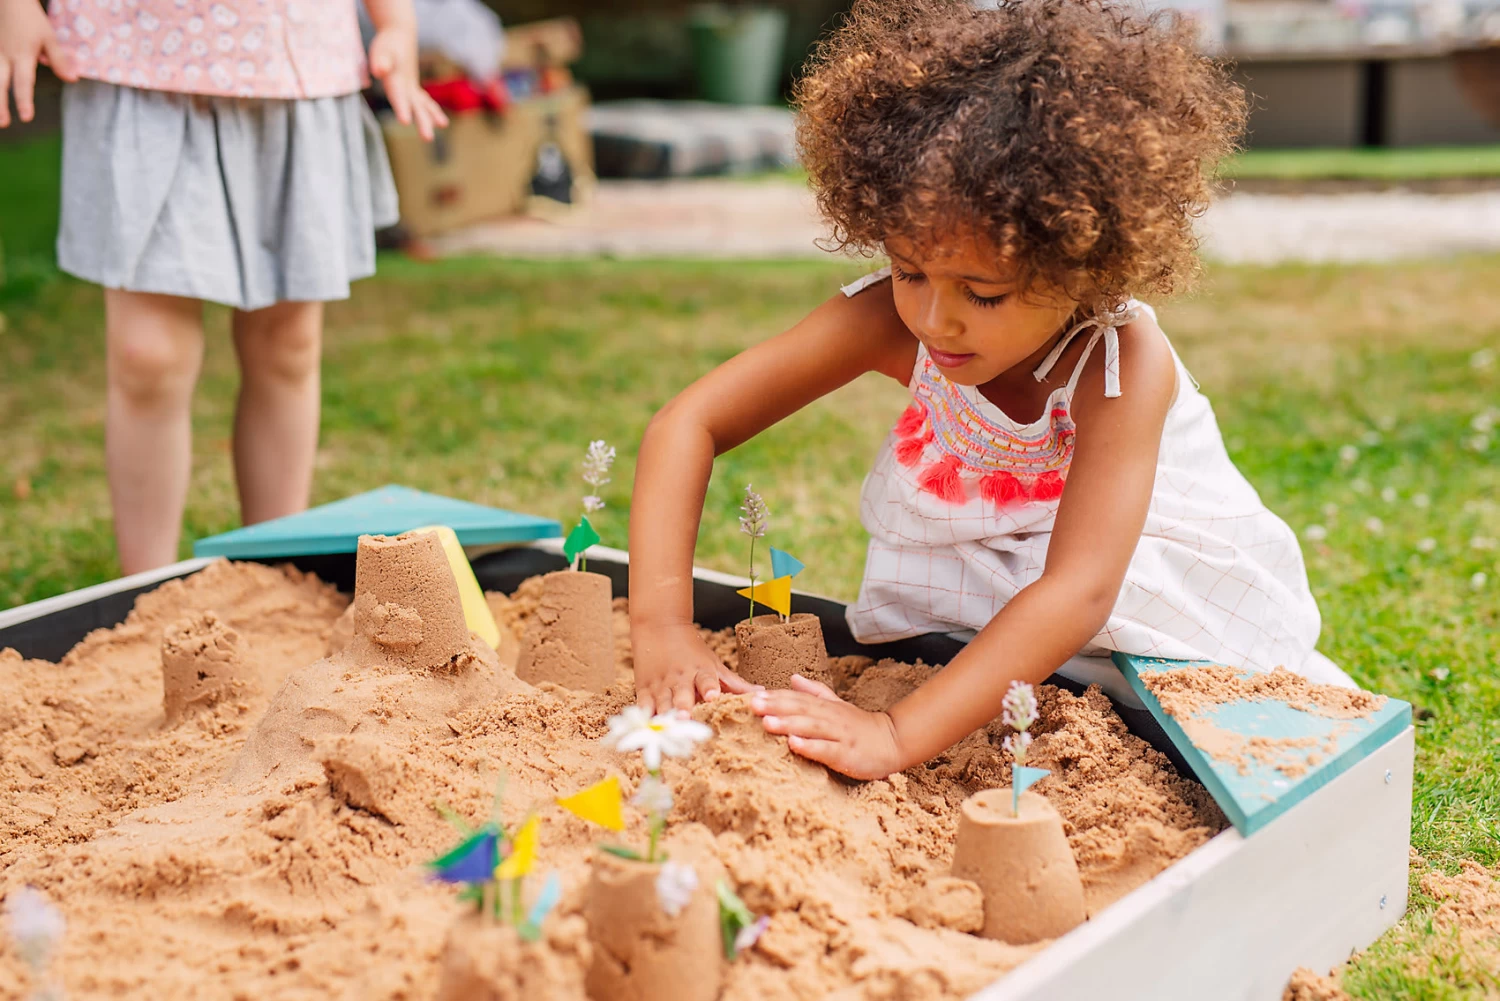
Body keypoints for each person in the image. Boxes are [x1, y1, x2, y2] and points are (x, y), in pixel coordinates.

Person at [627, 0, 1353, 781]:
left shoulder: (1118, 364)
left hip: (1136, 571)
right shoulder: (889, 317)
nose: (936, 319)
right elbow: (689, 421)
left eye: (985, 293)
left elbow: (1078, 592)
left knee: (1161, 693)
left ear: (1083, 264)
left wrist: (896, 734)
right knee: (981, 637)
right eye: (910, 271)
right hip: (1002, 570)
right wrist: (663, 622)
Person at [0, 0, 446, 574]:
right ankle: (146, 599)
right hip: (133, 53)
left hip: (294, 58)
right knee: (148, 358)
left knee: (286, 345)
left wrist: (397, 24)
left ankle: (271, 585)